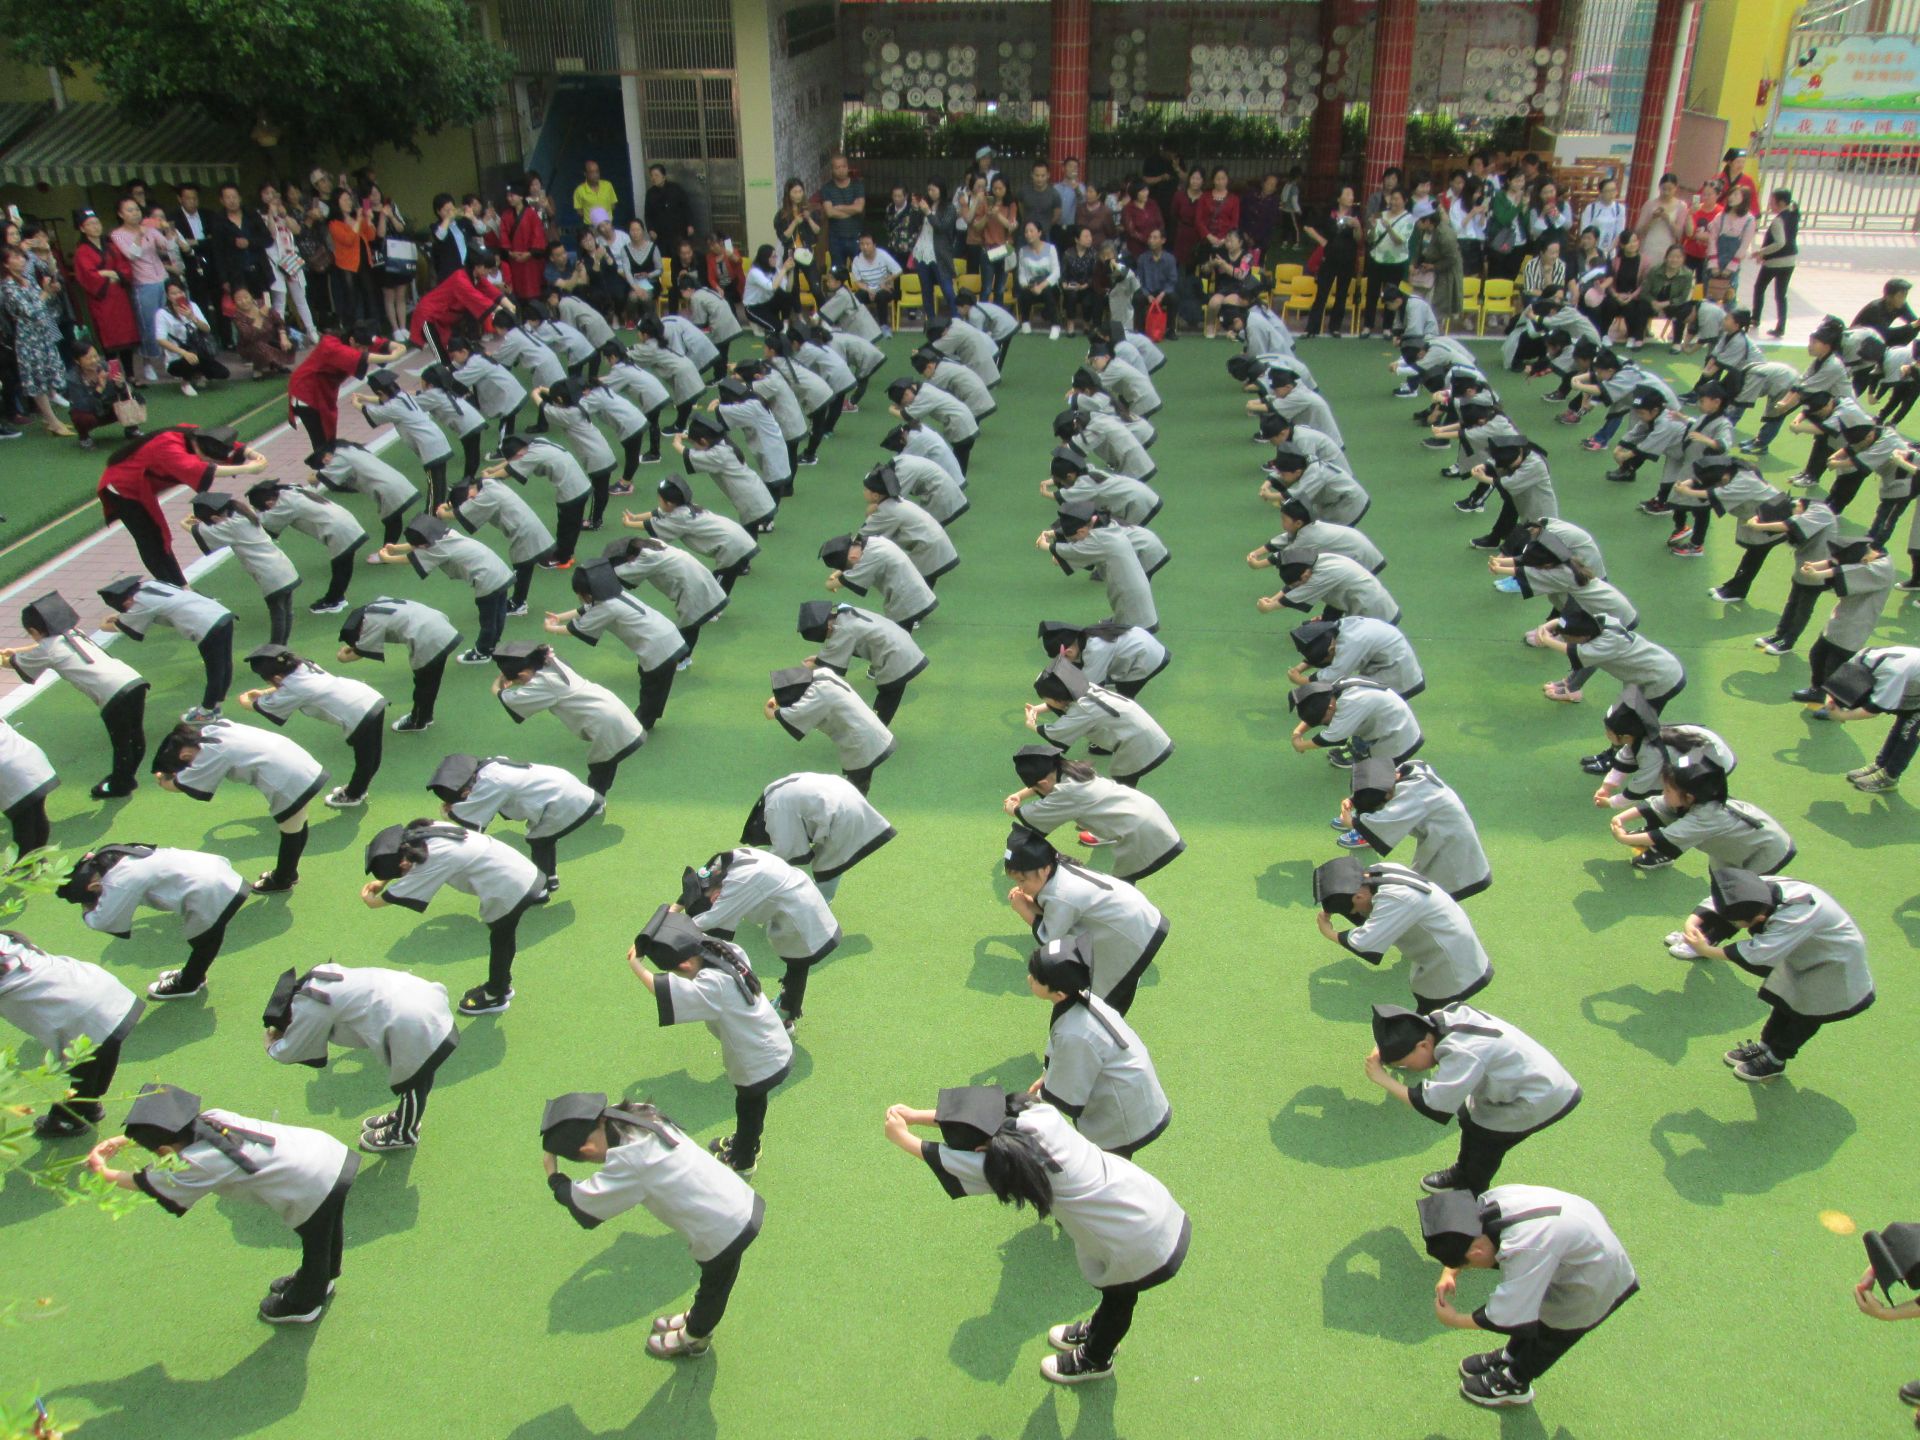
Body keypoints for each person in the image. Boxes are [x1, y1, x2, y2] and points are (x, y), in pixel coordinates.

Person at [885, 1085, 1189, 1385]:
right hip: (1141, 1197)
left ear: (981, 1151)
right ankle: (1097, 1333)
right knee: (1116, 1297)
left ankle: (1096, 1358)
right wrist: (913, 1116)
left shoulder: (1013, 1164)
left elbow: (945, 1159)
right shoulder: (1037, 1113)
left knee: (1119, 1298)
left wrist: (903, 1137)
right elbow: (976, 1115)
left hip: (1138, 1238)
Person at [86, 1083, 358, 1325]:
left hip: (314, 1183)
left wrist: (103, 1171)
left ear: (166, 1151)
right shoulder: (213, 1118)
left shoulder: (200, 1161)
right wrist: (124, 1141)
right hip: (325, 1152)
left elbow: (148, 1182)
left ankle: (304, 1303)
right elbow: (171, 1135)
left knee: (316, 1241)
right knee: (327, 1229)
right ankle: (323, 1277)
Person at [541, 1091, 762, 1359]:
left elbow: (585, 1206)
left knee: (713, 1289)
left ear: (587, 1151)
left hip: (723, 1227)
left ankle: (694, 1338)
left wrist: (555, 1179)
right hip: (730, 1197)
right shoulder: (637, 1113)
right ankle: (695, 1323)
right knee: (714, 1285)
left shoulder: (629, 1161)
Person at [1420, 1184, 1639, 1409]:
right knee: (1538, 1311)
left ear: (1476, 1252)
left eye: (1466, 1264)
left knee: (1553, 1333)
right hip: (1580, 1236)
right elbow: (1466, 1238)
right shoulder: (1487, 1203)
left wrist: (1454, 1319)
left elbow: (1506, 1312)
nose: (1470, 1267)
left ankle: (1516, 1382)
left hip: (1597, 1276)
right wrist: (1450, 1272)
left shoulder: (1522, 1249)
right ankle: (1510, 1355)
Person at [1666, 867, 1874, 1082]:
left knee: (1806, 1015)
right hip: (1806, 957)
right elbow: (1721, 897)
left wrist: (1706, 950)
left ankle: (1776, 1059)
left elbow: (1759, 955)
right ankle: (1764, 1046)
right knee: (1785, 1001)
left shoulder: (1795, 915)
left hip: (1836, 969)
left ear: (1758, 918)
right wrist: (1691, 923)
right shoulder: (1757, 889)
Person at [629, 905, 792, 1176]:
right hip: (769, 1042)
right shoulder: (723, 951)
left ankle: (744, 1158)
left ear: (684, 965)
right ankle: (746, 1142)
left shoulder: (711, 984)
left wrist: (636, 964)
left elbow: (665, 993)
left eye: (680, 973)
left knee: (749, 1106)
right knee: (752, 1106)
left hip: (759, 1060)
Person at [1366, 1001, 1580, 1192]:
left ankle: (1470, 1192)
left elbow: (1432, 1104)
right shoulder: (1441, 1018)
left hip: (1539, 1097)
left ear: (1423, 1045)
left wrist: (1382, 1078)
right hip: (1530, 1075)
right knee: (1470, 1120)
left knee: (1485, 1144)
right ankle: (1462, 1173)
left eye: (1404, 1062)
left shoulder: (1463, 1053)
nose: (1405, 1067)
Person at [264, 963, 458, 1153]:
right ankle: (402, 1118)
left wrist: (272, 1044)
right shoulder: (321, 975)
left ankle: (404, 1134)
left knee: (414, 1079)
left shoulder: (309, 1005)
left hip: (414, 1018)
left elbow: (293, 1048)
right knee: (417, 1074)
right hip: (418, 994)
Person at [362, 817, 546, 1016]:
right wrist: (381, 882)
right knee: (503, 936)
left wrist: (372, 901)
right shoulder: (425, 830)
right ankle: (501, 985)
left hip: (510, 886)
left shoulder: (433, 859)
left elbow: (393, 896)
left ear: (404, 859)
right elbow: (403, 862)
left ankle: (496, 994)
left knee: (501, 939)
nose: (406, 871)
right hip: (518, 866)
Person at [1027, 935, 1169, 1156]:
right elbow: (1061, 1049)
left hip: (1122, 1111)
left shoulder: (1075, 1033)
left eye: (1036, 979)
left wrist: (1034, 1106)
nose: (1029, 979)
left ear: (1059, 993)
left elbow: (1066, 1083)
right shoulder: (1082, 998)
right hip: (1133, 1089)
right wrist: (1047, 1075)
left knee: (1108, 1172)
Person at [1002, 825, 1165, 1016]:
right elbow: (1064, 914)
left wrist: (1022, 908)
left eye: (1022, 881)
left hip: (1131, 933)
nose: (1020, 886)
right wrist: (1031, 903)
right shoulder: (1059, 869)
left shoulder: (1060, 894)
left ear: (1045, 869)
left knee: (1104, 1005)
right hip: (1136, 917)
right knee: (1104, 995)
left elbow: (1050, 937)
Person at [0, 594, 148, 799]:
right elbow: (43, 646)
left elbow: (19, 661)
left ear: (34, 631)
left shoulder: (46, 649)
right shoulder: (73, 632)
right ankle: (126, 778)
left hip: (111, 693)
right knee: (134, 734)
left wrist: (5, 658)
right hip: (133, 681)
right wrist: (15, 650)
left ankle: (120, 785)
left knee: (122, 742)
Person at [56, 843, 247, 1001]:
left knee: (203, 940)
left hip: (212, 890)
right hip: (216, 870)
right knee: (205, 937)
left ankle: (189, 983)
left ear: (94, 885)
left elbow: (102, 921)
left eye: (93, 897)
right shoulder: (117, 856)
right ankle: (191, 975)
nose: (97, 900)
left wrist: (87, 911)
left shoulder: (117, 881)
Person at [0, 931, 141, 1139]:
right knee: (97, 1057)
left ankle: (70, 1118)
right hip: (98, 986)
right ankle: (87, 1107)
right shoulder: (6, 938)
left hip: (77, 1008)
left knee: (88, 1060)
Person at [1312, 854, 1493, 1008]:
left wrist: (1329, 932)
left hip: (1453, 968)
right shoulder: (1382, 870)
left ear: (1359, 896)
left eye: (1354, 910)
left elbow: (1366, 943)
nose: (1358, 914)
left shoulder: (1395, 900)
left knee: (1430, 1027)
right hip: (1451, 946)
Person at [238, 645, 387, 809]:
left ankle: (354, 794)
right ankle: (358, 789)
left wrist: (245, 699)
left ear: (277, 678)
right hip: (368, 697)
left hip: (359, 714)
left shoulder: (293, 689)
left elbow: (255, 706)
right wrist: (265, 692)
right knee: (372, 752)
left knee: (365, 758)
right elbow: (291, 685)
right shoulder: (304, 665)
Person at [1606, 744, 1795, 873]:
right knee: (1721, 880)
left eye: (1668, 788)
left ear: (1689, 796)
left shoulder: (1707, 816)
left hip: (1768, 852)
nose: (1664, 791)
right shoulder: (1695, 798)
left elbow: (1667, 836)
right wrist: (1621, 818)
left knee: (1739, 893)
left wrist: (1623, 837)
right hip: (1732, 846)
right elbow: (1657, 804)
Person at [491, 641, 647, 796]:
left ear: (523, 674)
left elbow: (512, 700)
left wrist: (497, 687)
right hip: (613, 708)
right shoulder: (551, 661)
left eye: (520, 682)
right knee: (605, 762)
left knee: (600, 765)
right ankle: (595, 799)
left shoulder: (544, 683)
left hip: (606, 722)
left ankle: (594, 802)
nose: (522, 685)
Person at [1007, 745, 1182, 882]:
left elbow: (1032, 815)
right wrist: (1020, 795)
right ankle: (1107, 834)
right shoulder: (1071, 768)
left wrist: (1013, 809)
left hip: (1141, 831)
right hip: (1143, 809)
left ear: (1043, 783)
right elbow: (1045, 785)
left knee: (1123, 885)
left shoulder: (1066, 792)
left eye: (1036, 788)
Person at [741, 770, 894, 902]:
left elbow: (788, 852)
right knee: (827, 859)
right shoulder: (772, 794)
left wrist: (756, 879)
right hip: (845, 795)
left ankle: (819, 907)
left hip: (843, 815)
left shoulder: (775, 812)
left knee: (828, 865)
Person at [337, 596, 460, 734]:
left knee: (424, 681)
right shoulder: (378, 603)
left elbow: (360, 652)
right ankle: (425, 715)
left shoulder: (371, 622)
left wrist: (342, 657)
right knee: (432, 679)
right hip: (440, 624)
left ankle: (418, 721)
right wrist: (357, 646)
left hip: (429, 636)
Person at [797, 598, 925, 727]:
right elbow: (842, 648)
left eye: (827, 636)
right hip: (902, 641)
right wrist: (820, 659)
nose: (829, 639)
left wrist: (814, 666)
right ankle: (877, 730)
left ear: (829, 628)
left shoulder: (843, 630)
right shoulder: (846, 612)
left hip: (899, 657)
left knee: (888, 695)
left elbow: (830, 666)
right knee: (890, 694)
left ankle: (877, 732)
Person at [1816, 646, 1920, 794]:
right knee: (1902, 723)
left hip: (1911, 683)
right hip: (1913, 682)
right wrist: (1830, 702)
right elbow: (1838, 682)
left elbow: (1873, 709)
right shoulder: (1864, 656)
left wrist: (1841, 716)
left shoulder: (1892, 673)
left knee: (1908, 731)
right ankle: (1881, 765)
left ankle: (1890, 777)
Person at [1, 244, 75, 436]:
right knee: (37, 378)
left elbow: (44, 302)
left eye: (21, 256)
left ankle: (51, 420)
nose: (21, 260)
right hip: (28, 337)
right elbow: (30, 311)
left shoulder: (27, 279)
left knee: (48, 373)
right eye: (15, 257)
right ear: (6, 264)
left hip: (43, 332)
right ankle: (52, 421)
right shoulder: (8, 286)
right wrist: (44, 293)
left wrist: (50, 290)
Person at [73, 207, 141, 378]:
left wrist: (113, 273)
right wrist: (106, 274)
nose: (95, 227)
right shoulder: (82, 251)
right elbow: (88, 275)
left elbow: (123, 267)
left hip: (119, 296)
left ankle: (131, 375)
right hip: (102, 300)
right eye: (90, 224)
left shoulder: (111, 245)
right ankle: (115, 376)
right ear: (82, 228)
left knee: (126, 337)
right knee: (109, 339)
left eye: (97, 222)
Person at [1303, 186, 1363, 338]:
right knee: (1322, 293)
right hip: (1329, 258)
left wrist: (1357, 227)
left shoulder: (1355, 214)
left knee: (1342, 294)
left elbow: (1358, 239)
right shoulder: (1328, 213)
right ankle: (1312, 328)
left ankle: (1335, 327)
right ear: (1339, 198)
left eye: (1352, 194)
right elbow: (1308, 227)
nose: (1351, 197)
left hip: (1347, 259)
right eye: (1348, 194)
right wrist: (1322, 241)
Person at [0, 721, 57, 857]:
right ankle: (37, 861)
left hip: (9, 769)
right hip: (31, 759)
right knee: (36, 815)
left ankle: (23, 869)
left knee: (23, 823)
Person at [1753, 189, 1799, 338]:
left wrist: (1762, 252)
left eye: (1772, 202)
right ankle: (1781, 326)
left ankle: (1755, 318)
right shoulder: (1794, 214)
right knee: (1781, 294)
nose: (1770, 205)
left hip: (1775, 262)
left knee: (1760, 287)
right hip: (1790, 261)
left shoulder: (1778, 221)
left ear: (1780, 203)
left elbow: (1780, 243)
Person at [230, 287, 293, 378]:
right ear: (235, 303)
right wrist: (260, 316)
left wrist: (283, 337)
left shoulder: (262, 304)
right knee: (260, 347)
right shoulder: (237, 317)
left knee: (291, 341)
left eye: (246, 297)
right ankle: (258, 368)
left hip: (271, 338)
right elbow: (249, 335)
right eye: (239, 300)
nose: (243, 301)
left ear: (251, 296)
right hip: (251, 345)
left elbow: (279, 321)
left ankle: (277, 363)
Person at [819, 153, 867, 273]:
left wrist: (839, 207)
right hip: (836, 239)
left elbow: (859, 208)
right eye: (837, 167)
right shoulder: (827, 189)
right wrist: (851, 209)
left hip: (856, 236)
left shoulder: (857, 185)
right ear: (832, 170)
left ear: (848, 167)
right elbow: (829, 212)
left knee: (860, 271)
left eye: (843, 166)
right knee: (838, 273)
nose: (841, 170)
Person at [644, 164, 696, 253]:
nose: (653, 178)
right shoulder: (650, 193)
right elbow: (648, 214)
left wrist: (690, 224)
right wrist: (650, 230)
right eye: (652, 176)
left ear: (664, 176)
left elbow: (686, 207)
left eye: (656, 175)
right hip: (660, 234)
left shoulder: (675, 189)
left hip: (678, 231)